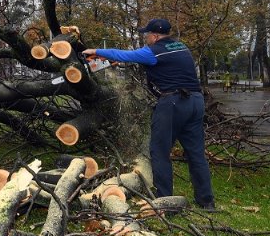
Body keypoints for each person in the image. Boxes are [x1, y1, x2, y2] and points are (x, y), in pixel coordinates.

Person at [82, 18, 216, 211]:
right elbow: (160, 64)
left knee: (159, 152)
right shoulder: (181, 46)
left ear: (154, 36)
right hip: (195, 102)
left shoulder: (154, 50)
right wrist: (122, 60)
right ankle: (206, 201)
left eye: (146, 35)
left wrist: (96, 51)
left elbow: (129, 54)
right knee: (196, 153)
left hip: (173, 103)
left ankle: (165, 202)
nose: (145, 38)